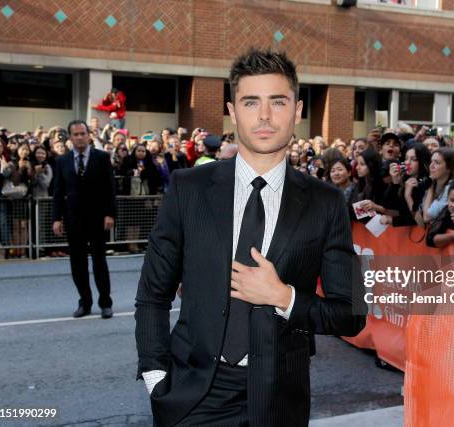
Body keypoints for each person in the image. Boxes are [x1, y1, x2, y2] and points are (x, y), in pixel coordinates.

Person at [135, 48, 364, 427]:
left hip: (280, 401)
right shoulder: (188, 188)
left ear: (298, 110)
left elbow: (352, 314)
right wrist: (156, 377)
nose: (264, 115)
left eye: (277, 101)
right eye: (250, 102)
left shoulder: (327, 202)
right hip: (193, 397)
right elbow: (152, 295)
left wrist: (283, 297)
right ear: (232, 110)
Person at [52, 120, 116, 319]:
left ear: (89, 135)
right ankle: (85, 303)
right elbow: (58, 192)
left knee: (99, 262)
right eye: (75, 134)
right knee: (78, 264)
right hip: (74, 220)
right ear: (70, 137)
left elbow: (110, 189)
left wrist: (109, 214)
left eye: (82, 133)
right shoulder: (62, 161)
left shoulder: (102, 157)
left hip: (97, 218)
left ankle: (105, 302)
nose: (79, 137)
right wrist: (56, 218)